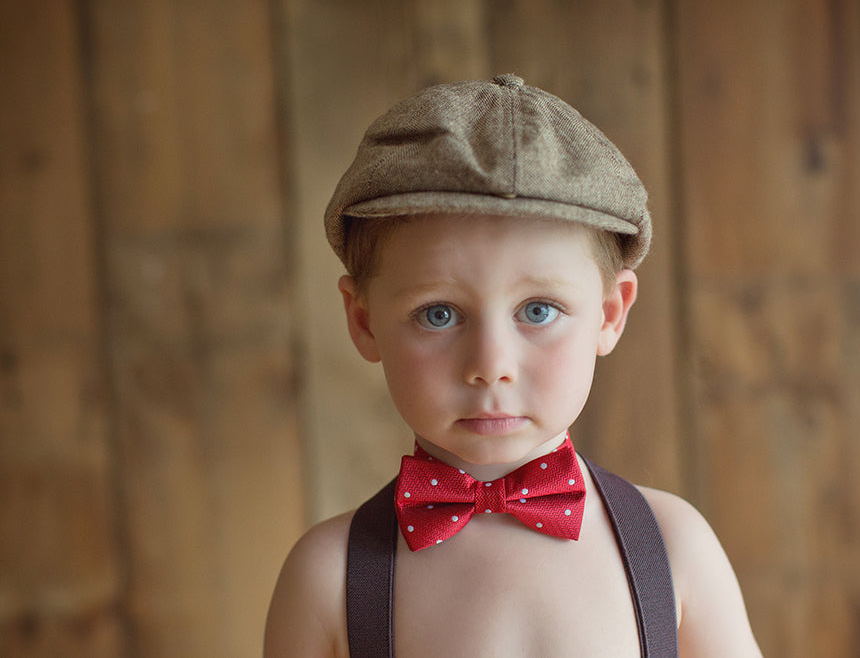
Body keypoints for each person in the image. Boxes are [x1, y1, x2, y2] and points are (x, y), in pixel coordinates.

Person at [264, 74, 761, 657]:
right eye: (439, 315)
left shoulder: (672, 549)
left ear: (609, 313)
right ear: (364, 320)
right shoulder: (329, 577)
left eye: (539, 309)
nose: (490, 366)